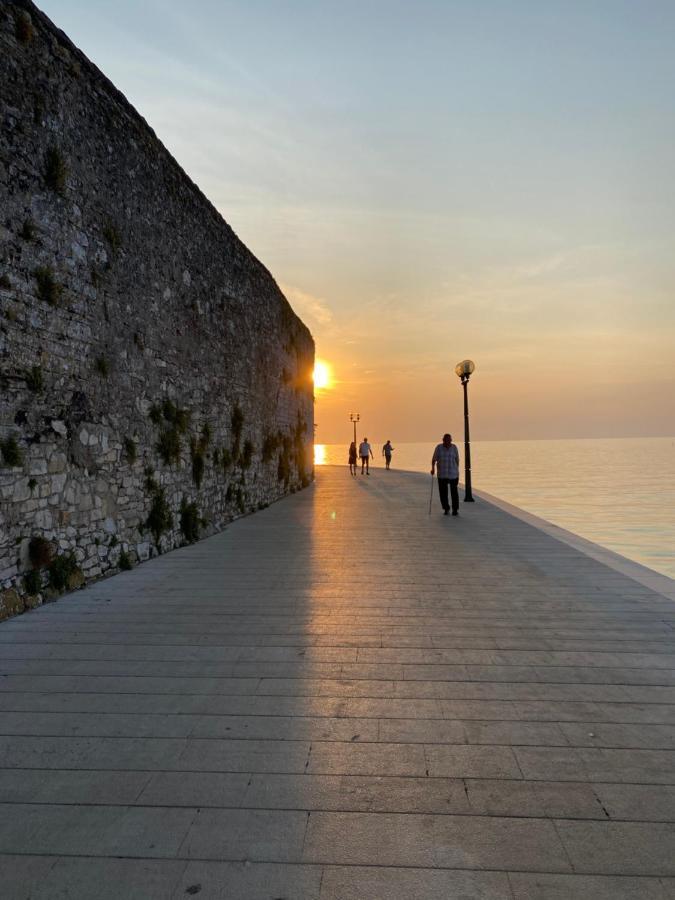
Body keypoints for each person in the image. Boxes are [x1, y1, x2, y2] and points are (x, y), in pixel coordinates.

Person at [431, 433, 460, 516]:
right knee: (443, 493)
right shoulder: (439, 448)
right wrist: (433, 468)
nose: (448, 442)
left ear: (451, 440)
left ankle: (455, 509)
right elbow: (434, 459)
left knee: (454, 492)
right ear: (443, 440)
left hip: (453, 474)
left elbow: (457, 460)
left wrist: (457, 471)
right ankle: (446, 508)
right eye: (446, 440)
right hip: (442, 474)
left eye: (449, 440)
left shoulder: (454, 447)